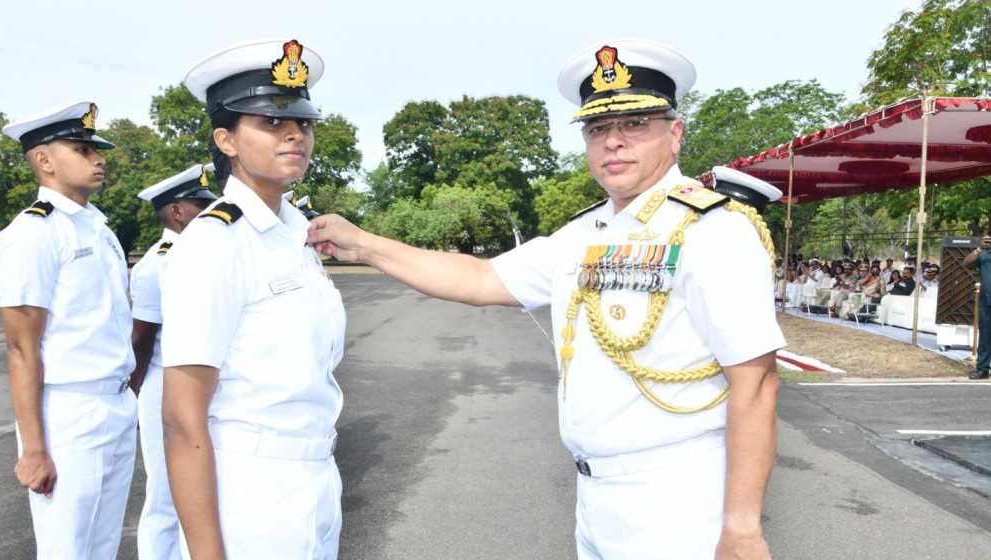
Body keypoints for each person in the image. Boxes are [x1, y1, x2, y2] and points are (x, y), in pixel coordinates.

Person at [309, 39, 784, 560]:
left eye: (634, 125)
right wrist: (365, 243)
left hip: (677, 496)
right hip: (595, 494)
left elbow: (755, 381)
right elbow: (480, 278)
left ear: (675, 134)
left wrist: (741, 527)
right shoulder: (585, 232)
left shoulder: (712, 231)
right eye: (599, 129)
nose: (614, 143)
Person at [161, 39, 346, 559]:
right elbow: (181, 416)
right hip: (250, 491)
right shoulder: (216, 242)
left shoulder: (297, 233)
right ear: (226, 140)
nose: (295, 134)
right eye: (270, 122)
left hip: (316, 479)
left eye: (303, 122)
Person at [0, 101, 137, 559]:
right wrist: (34, 448)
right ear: (45, 160)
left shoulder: (98, 227)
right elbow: (20, 348)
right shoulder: (33, 234)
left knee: (102, 545)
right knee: (66, 548)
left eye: (96, 149)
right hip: (70, 411)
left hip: (115, 403)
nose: (98, 158)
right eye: (81, 148)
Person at [129, 163, 217, 560]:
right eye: (200, 204)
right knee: (166, 492)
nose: (208, 210)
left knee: (202, 488)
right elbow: (141, 340)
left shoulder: (208, 254)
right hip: (163, 387)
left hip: (203, 386)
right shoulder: (156, 264)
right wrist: (135, 396)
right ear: (177, 212)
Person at [963, 234, 991, 379]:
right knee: (985, 337)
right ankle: (983, 369)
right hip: (986, 301)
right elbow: (966, 263)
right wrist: (980, 248)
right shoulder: (985, 253)